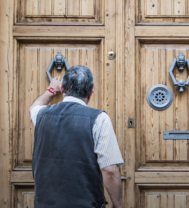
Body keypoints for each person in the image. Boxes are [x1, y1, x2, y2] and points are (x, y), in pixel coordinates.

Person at [29, 65, 124, 208]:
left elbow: (34, 107)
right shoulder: (99, 119)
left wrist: (51, 90)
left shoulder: (40, 115)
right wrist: (118, 205)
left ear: (62, 89)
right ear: (91, 92)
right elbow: (109, 170)